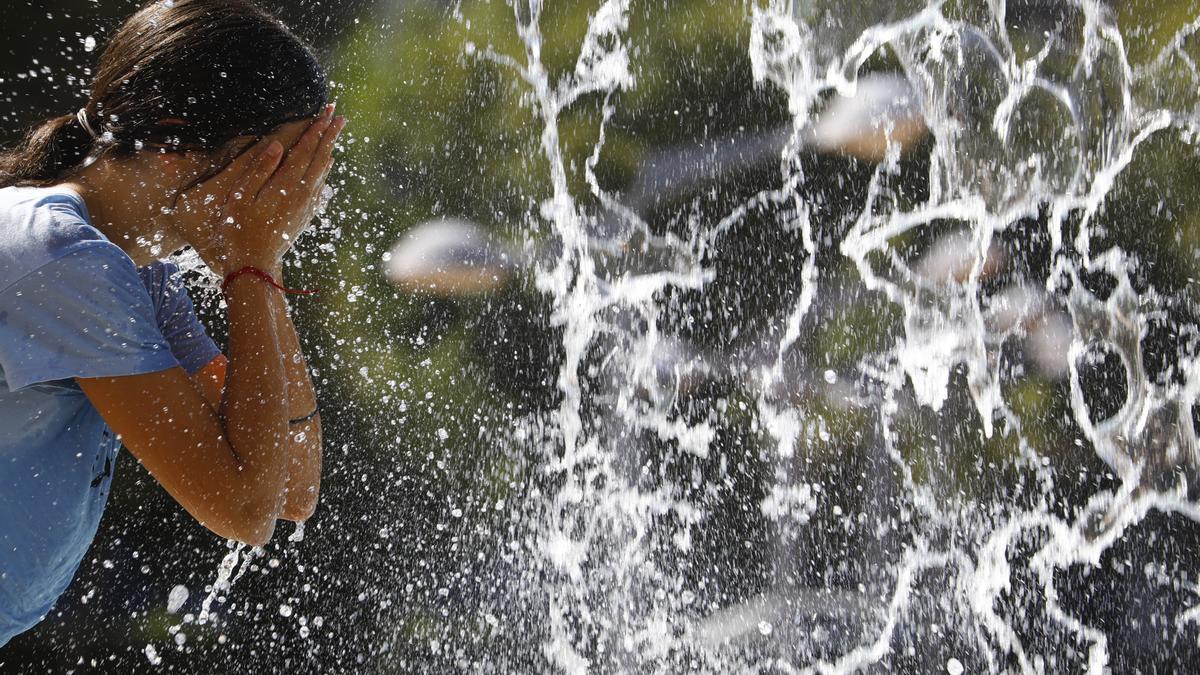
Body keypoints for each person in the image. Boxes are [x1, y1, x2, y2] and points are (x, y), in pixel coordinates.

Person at [0, 0, 345, 647]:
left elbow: (289, 488)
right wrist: (253, 263)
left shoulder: (135, 271)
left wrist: (257, 269)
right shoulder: (61, 254)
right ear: (171, 141)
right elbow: (241, 506)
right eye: (274, 167)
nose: (294, 201)